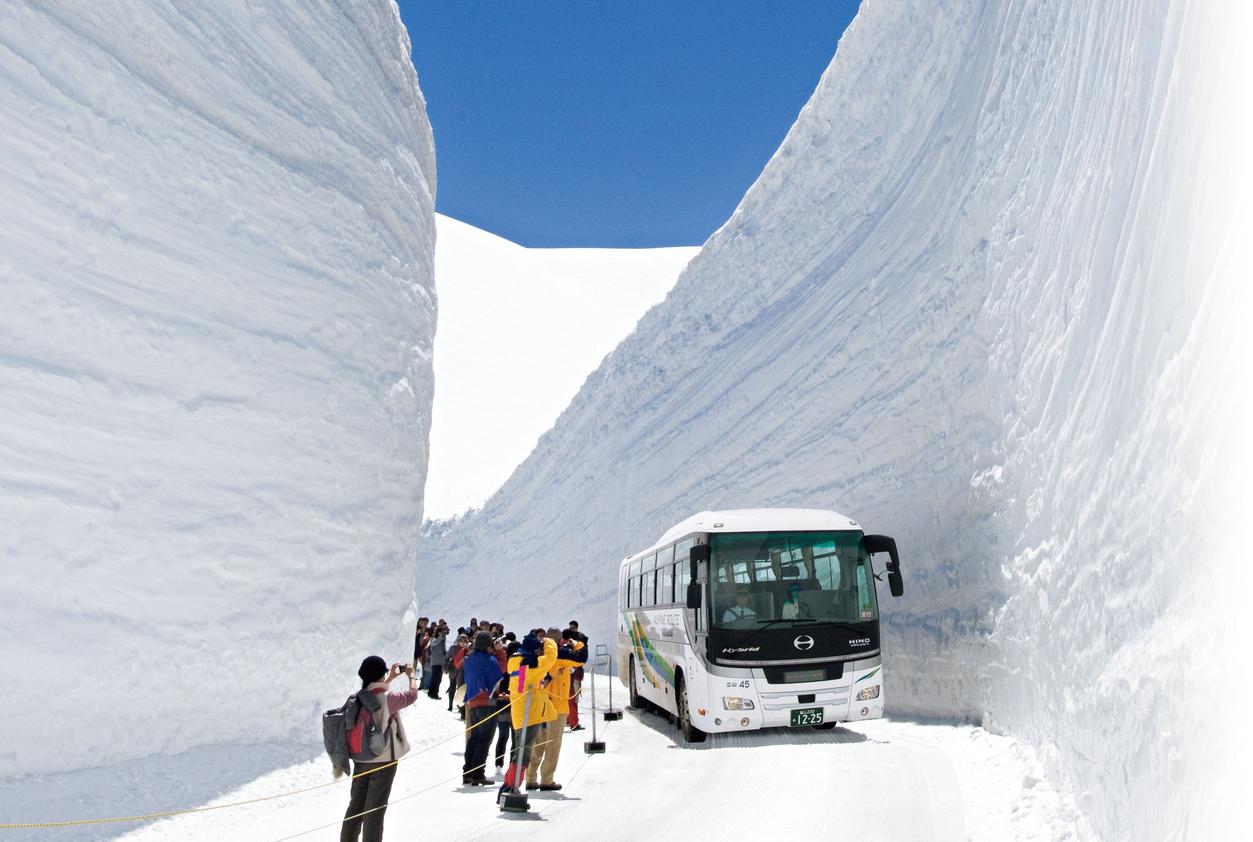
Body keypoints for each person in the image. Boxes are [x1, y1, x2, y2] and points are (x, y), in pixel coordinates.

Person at [341, 656, 417, 842]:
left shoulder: (357, 698)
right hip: (383, 762)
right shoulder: (389, 699)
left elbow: (376, 690)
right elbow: (412, 695)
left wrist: (389, 678)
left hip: (360, 759)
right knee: (375, 811)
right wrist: (411, 676)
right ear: (380, 675)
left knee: (355, 808)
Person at [503, 634, 558, 792]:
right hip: (530, 714)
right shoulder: (531, 665)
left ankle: (509, 786)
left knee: (519, 752)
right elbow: (551, 656)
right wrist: (548, 641)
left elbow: (526, 683)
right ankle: (510, 789)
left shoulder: (516, 662)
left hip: (520, 713)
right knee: (523, 755)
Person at [526, 628, 580, 791]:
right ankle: (547, 779)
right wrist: (577, 643)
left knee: (537, 743)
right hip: (557, 708)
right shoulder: (562, 658)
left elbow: (523, 681)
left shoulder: (537, 658)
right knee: (553, 745)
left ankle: (530, 777)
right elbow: (581, 660)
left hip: (540, 706)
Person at [460, 631, 504, 785]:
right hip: (487, 703)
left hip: (472, 702)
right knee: (484, 739)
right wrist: (500, 652)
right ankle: (478, 773)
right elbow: (502, 671)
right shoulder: (490, 660)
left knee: (474, 738)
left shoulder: (469, 659)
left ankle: (468, 772)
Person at [563, 625, 588, 731]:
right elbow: (581, 658)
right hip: (569, 679)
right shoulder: (567, 649)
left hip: (521, 716)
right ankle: (573, 722)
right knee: (571, 700)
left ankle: (568, 720)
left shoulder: (523, 663)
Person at [425, 622, 448, 699]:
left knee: (439, 679)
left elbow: (444, 650)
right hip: (435, 662)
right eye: (441, 632)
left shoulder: (442, 639)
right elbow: (433, 644)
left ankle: (434, 692)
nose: (442, 633)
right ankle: (432, 693)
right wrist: (441, 637)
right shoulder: (433, 638)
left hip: (441, 662)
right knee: (435, 678)